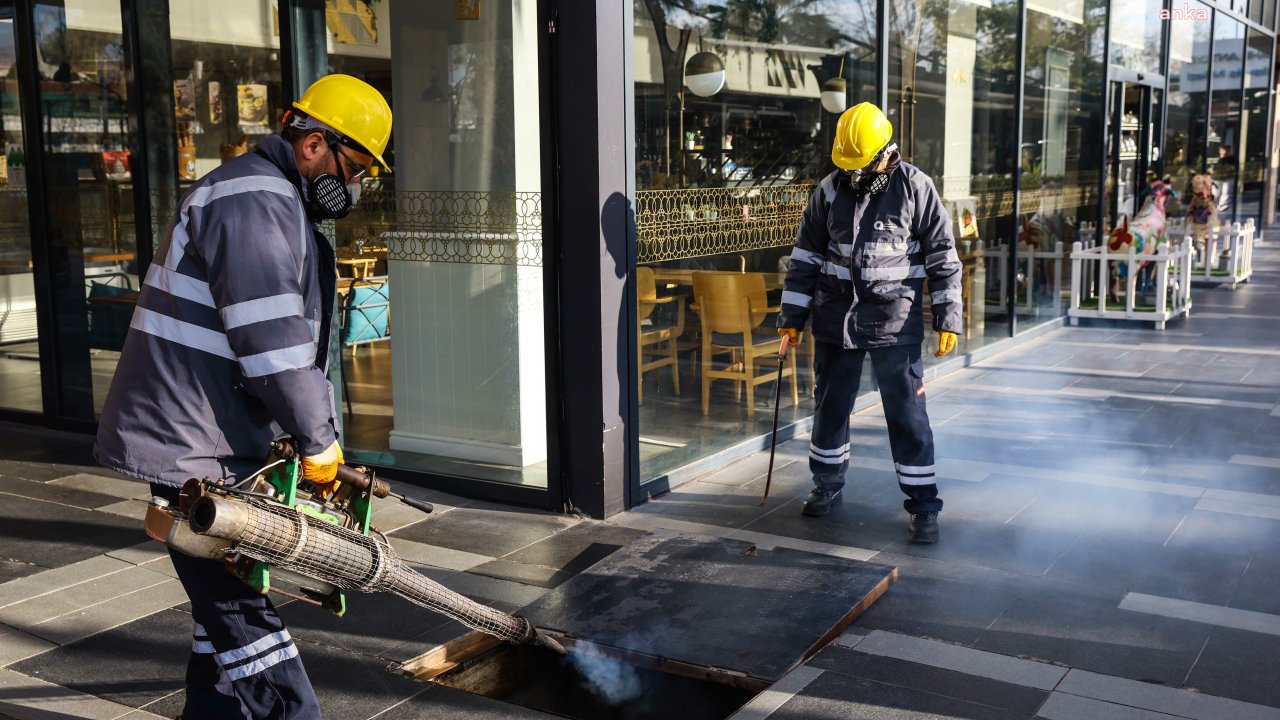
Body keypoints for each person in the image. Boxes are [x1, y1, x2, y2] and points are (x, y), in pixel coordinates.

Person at [94, 74, 392, 719]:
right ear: (313, 144)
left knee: (221, 596)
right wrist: (319, 440)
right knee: (238, 609)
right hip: (187, 435)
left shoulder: (267, 194)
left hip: (202, 427)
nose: (358, 185)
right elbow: (272, 342)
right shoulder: (256, 200)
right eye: (356, 165)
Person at [777, 102, 961, 544]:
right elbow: (805, 259)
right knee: (830, 409)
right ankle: (826, 485)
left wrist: (947, 318)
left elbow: (943, 258)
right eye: (848, 167)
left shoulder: (916, 187)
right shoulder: (827, 191)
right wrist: (792, 318)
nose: (854, 175)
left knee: (907, 415)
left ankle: (923, 505)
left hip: (894, 324)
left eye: (861, 166)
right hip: (835, 322)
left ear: (885, 152)